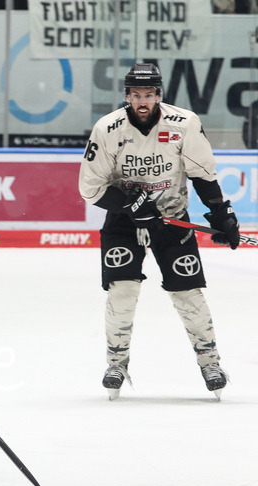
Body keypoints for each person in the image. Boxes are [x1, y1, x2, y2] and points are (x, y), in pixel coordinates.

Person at [78, 62, 240, 399]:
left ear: (159, 95)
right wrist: (133, 205)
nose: (142, 101)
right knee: (122, 293)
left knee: (189, 294)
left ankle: (210, 362)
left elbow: (202, 173)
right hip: (123, 223)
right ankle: (116, 364)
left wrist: (221, 214)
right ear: (126, 96)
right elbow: (90, 188)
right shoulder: (108, 129)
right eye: (136, 95)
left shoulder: (184, 123)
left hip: (171, 219)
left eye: (148, 95)